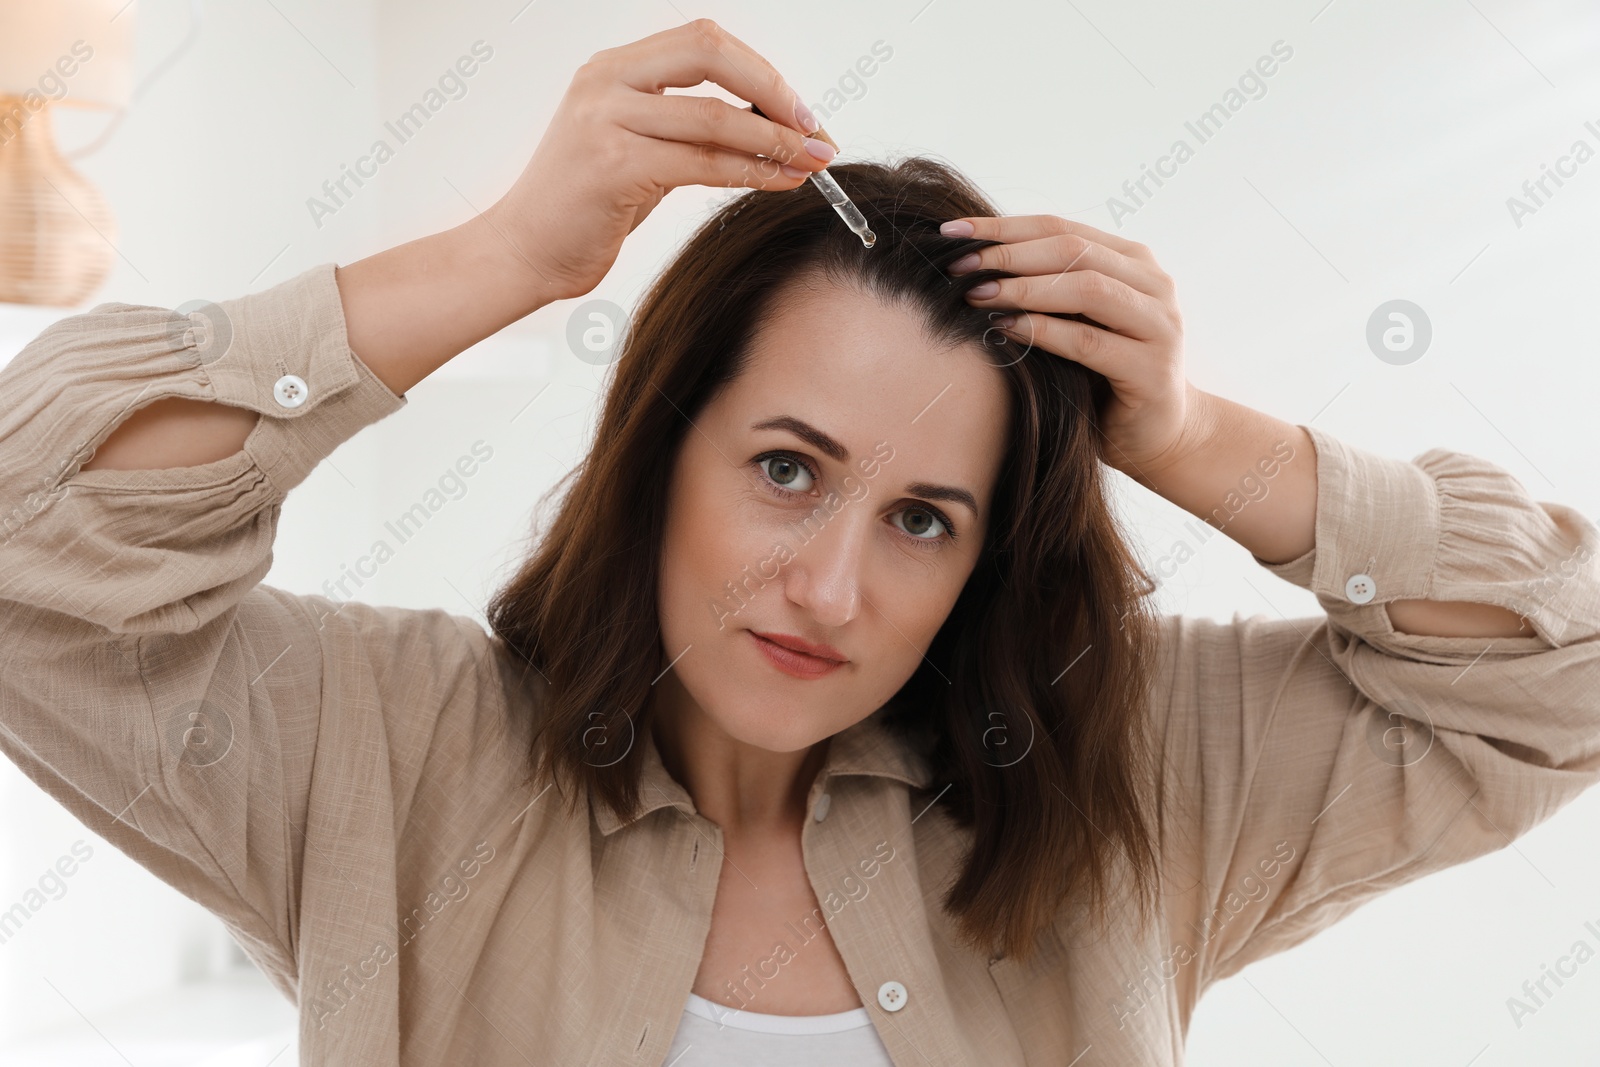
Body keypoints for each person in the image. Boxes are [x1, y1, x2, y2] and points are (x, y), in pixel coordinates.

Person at [2, 18, 1597, 1067]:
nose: (834, 589)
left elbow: (1566, 664)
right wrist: (503, 256)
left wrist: (1187, 435)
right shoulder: (383, 756)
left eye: (923, 518)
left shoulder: (1135, 776)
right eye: (784, 468)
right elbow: (30, 546)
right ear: (660, 454)